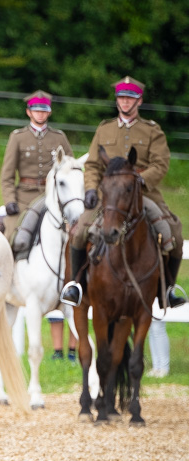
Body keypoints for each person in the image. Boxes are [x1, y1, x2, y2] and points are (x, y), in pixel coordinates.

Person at [62, 76, 185, 308]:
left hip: (142, 194)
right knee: (79, 233)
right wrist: (90, 189)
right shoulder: (104, 128)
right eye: (121, 98)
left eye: (130, 98)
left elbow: (160, 165)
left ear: (139, 101)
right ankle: (75, 285)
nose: (125, 102)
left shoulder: (152, 131)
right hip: (108, 195)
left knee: (174, 234)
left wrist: (139, 180)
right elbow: (93, 165)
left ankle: (167, 289)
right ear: (117, 100)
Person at [0, 90, 73, 240]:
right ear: (28, 112)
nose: (40, 114)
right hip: (25, 197)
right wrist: (10, 201)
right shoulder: (18, 137)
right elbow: (7, 176)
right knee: (13, 235)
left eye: (43, 110)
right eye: (36, 110)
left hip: (53, 196)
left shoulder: (59, 137)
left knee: (72, 235)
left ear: (49, 112)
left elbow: (71, 171)